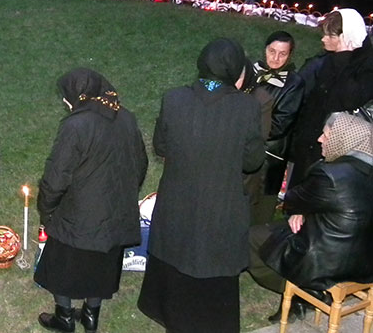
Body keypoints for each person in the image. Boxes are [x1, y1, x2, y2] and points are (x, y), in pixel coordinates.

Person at [138, 38, 265, 333]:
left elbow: (161, 145)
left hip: (179, 198)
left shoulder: (174, 98)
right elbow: (252, 161)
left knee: (178, 252)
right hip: (220, 202)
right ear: (235, 69)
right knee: (212, 259)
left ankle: (172, 315)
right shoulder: (246, 107)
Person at [35, 68, 148, 333]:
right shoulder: (127, 118)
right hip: (114, 212)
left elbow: (57, 174)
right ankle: (90, 315)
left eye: (66, 97)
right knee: (100, 265)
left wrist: (47, 209)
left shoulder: (76, 125)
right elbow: (140, 163)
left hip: (78, 213)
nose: (65, 103)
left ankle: (64, 317)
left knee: (61, 264)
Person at [249, 113, 373, 321]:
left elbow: (291, 198)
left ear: (343, 139)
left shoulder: (330, 174)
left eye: (326, 135)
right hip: (366, 262)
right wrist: (305, 211)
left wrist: (302, 209)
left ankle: (305, 292)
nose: (320, 140)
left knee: (251, 238)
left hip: (328, 262)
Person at [289, 8, 373, 189]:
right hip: (312, 140)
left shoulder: (366, 65)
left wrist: (344, 56)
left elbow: (351, 99)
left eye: (330, 36)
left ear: (346, 36)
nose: (323, 39)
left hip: (337, 146)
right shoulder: (328, 59)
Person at [251, 31, 304, 224]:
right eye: (272, 51)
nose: (275, 58)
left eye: (282, 53)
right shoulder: (252, 72)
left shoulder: (294, 84)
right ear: (265, 49)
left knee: (260, 213)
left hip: (270, 157)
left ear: (290, 55)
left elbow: (281, 124)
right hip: (246, 151)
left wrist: (245, 131)